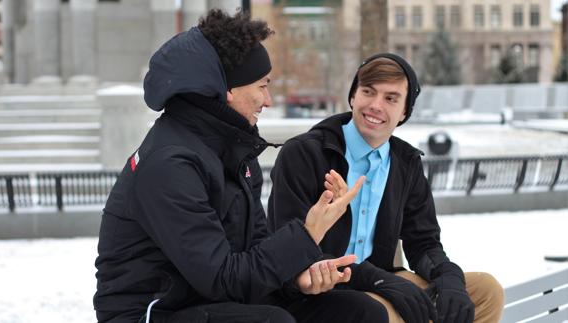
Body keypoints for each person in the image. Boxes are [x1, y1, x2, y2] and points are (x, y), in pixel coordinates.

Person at [93, 9, 375, 323]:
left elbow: (253, 251)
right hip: (153, 313)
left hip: (210, 301)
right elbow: (223, 278)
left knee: (358, 311)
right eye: (262, 86)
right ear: (226, 90)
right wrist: (308, 233)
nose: (268, 100)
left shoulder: (234, 154)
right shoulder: (169, 165)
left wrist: (297, 278)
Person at [267, 53, 505, 323]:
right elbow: (288, 244)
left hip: (381, 281)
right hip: (321, 287)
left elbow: (423, 241)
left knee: (486, 291)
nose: (376, 105)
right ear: (353, 96)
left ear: (404, 111)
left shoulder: (405, 163)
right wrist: (378, 279)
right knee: (384, 313)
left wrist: (448, 276)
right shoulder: (305, 154)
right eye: (368, 92)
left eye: (391, 98)